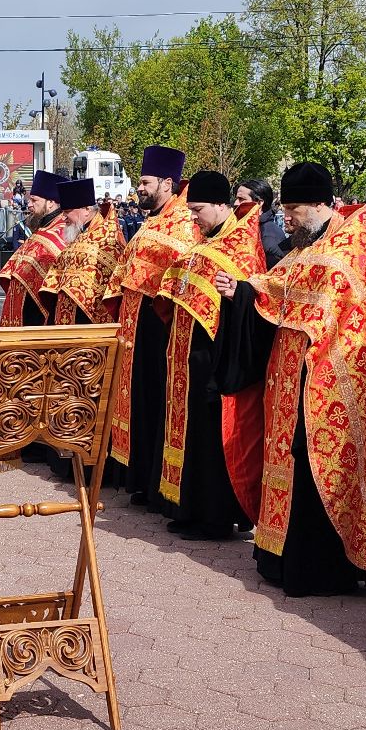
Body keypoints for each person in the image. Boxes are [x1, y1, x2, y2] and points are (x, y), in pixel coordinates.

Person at [213, 163, 366, 595]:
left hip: (331, 377)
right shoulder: (308, 245)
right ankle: (279, 555)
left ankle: (319, 568)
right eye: (286, 208)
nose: (288, 218)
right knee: (288, 460)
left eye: (295, 209)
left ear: (319, 204)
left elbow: (318, 299)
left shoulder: (346, 247)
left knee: (314, 462)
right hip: (290, 373)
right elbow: (279, 282)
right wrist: (241, 290)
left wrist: (250, 290)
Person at [148, 170, 266, 539]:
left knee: (211, 437)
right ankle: (186, 508)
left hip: (215, 358)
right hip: (185, 355)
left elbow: (251, 302)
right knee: (189, 431)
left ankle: (214, 516)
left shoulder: (241, 246)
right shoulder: (204, 243)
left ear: (220, 205)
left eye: (198, 209)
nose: (193, 217)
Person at [107, 145, 200, 502]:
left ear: (166, 182)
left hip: (159, 330)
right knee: (139, 404)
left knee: (156, 406)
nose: (139, 189)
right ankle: (141, 479)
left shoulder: (185, 224)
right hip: (134, 327)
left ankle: (160, 484)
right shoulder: (153, 222)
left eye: (145, 182)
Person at [0, 169, 67, 326]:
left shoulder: (62, 230)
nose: (29, 204)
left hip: (40, 316)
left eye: (34, 200)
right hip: (24, 310)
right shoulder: (43, 228)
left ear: (50, 203)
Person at [50, 179, 125, 325]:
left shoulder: (107, 237)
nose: (63, 217)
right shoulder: (82, 235)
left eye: (67, 212)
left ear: (86, 209)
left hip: (90, 321)